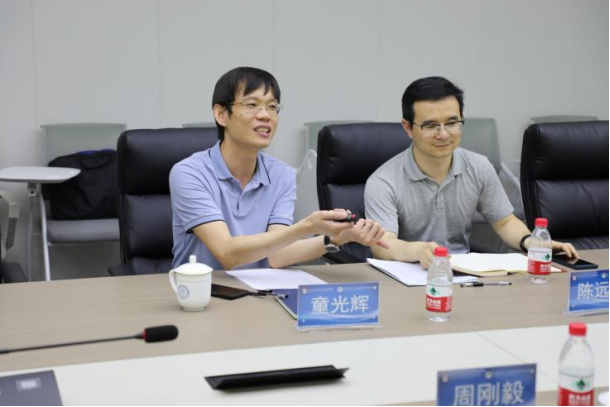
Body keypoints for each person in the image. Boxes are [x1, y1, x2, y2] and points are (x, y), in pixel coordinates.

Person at [170, 67, 388, 270]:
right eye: (251, 105)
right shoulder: (189, 173)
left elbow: (277, 256)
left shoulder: (282, 175)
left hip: (260, 290)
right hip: (201, 290)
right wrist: (306, 227)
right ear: (221, 114)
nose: (265, 115)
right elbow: (227, 254)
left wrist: (336, 238)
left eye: (272, 107)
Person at [365, 76, 578, 269]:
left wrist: (531, 242)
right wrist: (418, 251)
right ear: (408, 128)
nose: (444, 134)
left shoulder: (479, 167)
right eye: (430, 126)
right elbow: (383, 245)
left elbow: (504, 222)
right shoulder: (384, 181)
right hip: (408, 276)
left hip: (463, 275)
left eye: (452, 123)